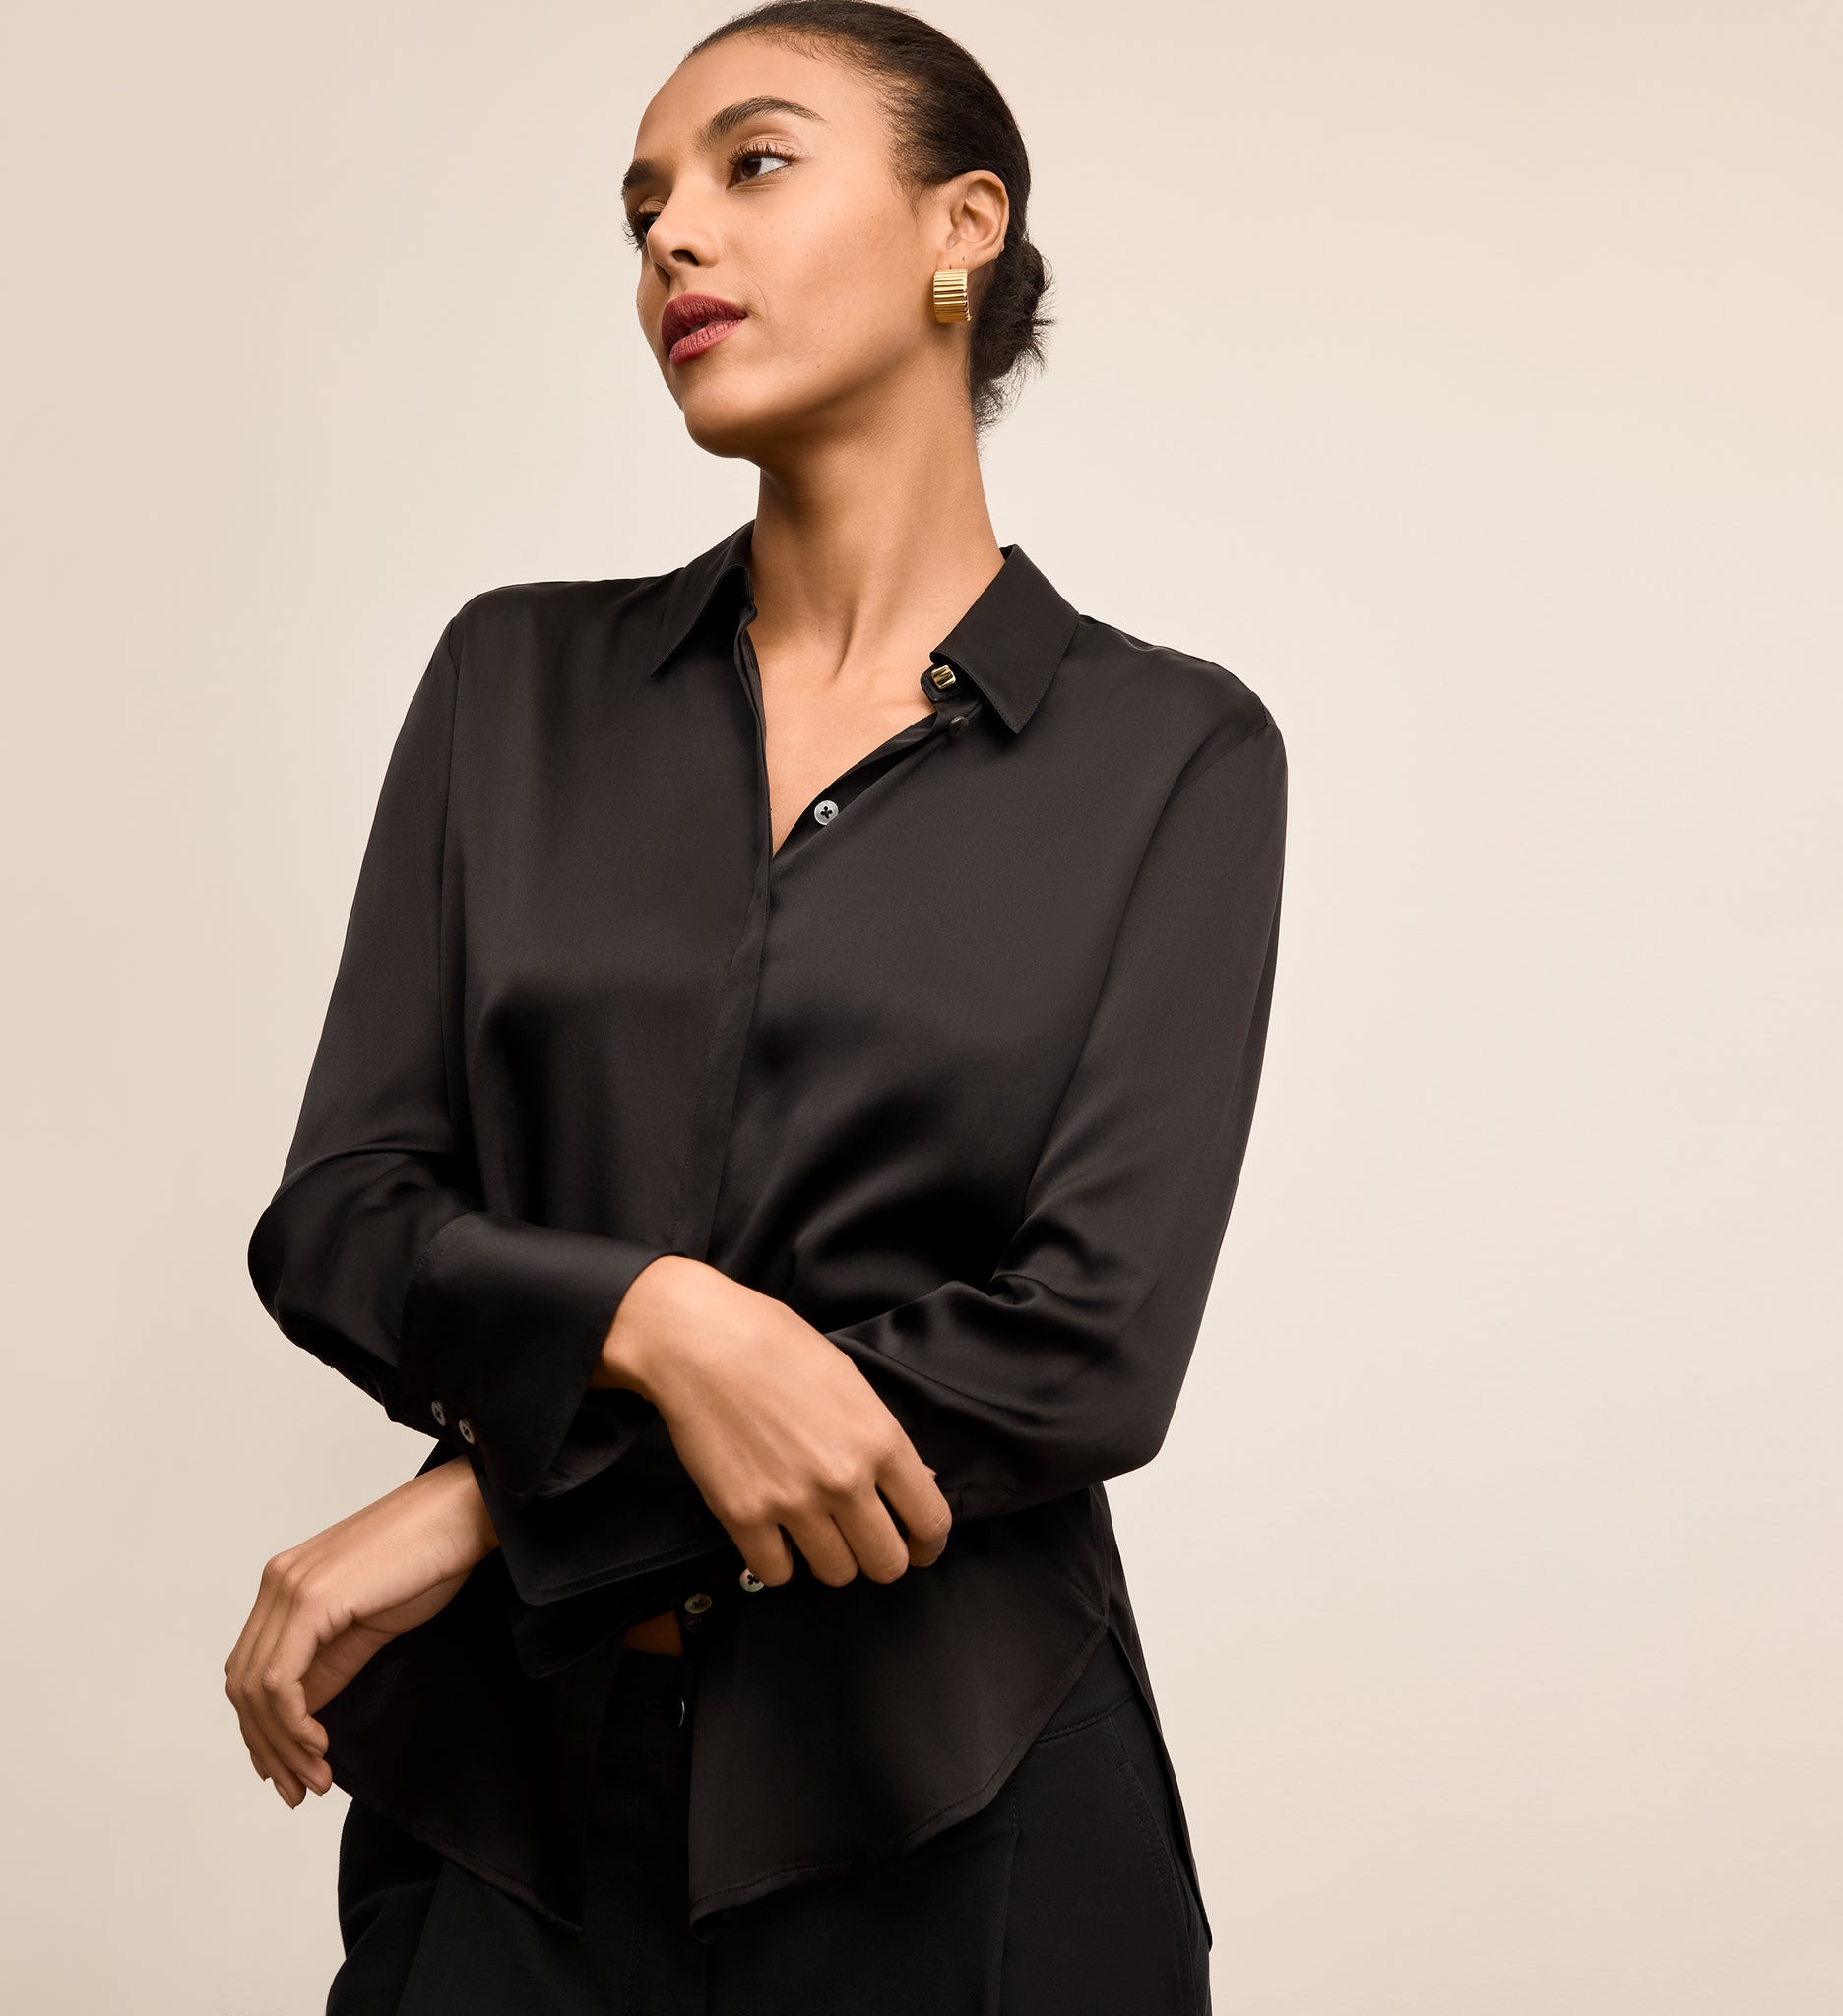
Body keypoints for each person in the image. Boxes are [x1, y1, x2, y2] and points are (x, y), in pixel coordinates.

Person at [226, 4, 1286, 2010]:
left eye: (751, 165)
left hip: (962, 1815)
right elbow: (344, 1217)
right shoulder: (512, 687)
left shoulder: (1171, 754)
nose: (672, 243)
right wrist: (655, 1313)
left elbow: (1082, 1353)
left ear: (957, 224)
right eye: (641, 209)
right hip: (504, 1829)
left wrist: (490, 1499)